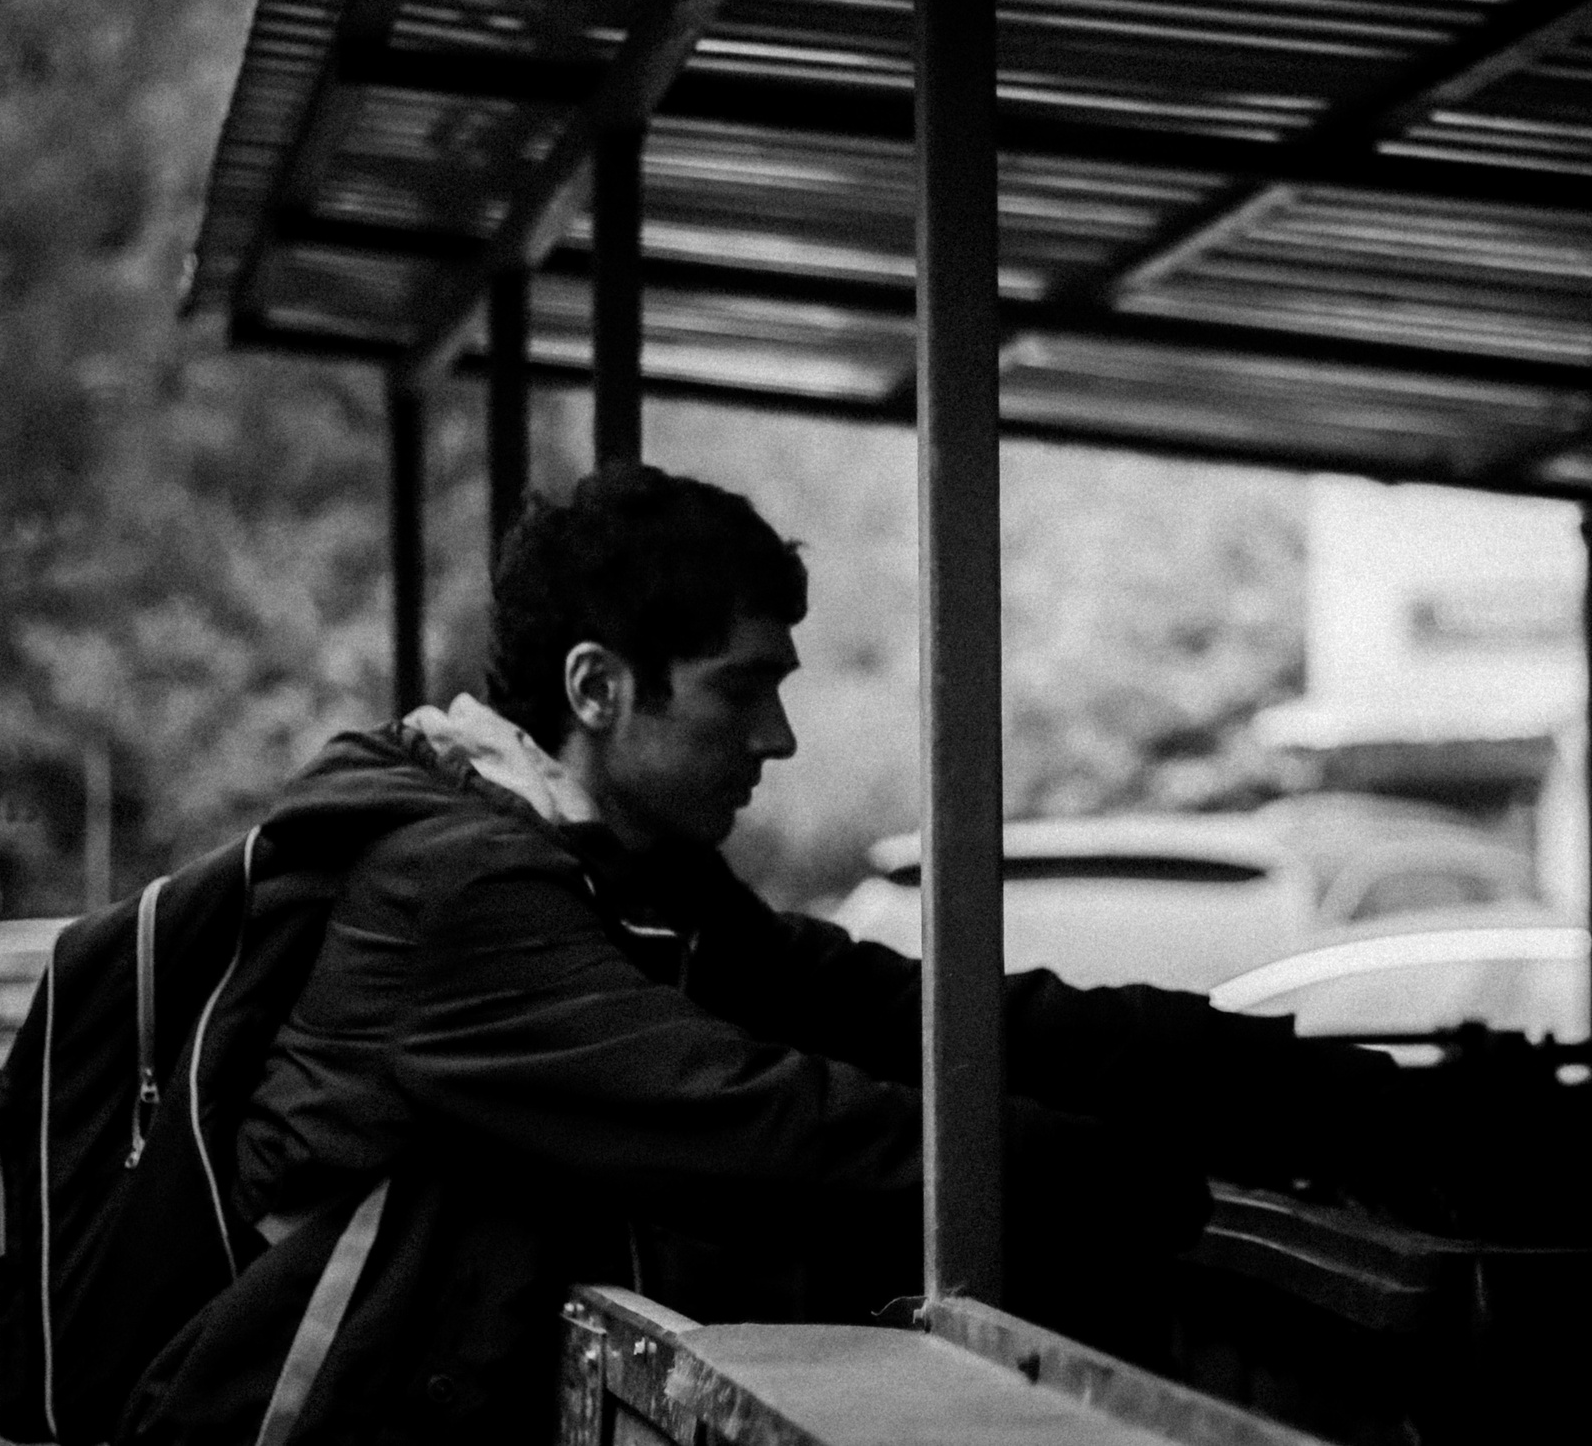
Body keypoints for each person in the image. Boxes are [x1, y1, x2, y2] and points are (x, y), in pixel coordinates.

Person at [121, 464, 1398, 1446]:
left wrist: (1280, 1084)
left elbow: (897, 1014)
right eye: (741, 690)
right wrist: (1131, 1182)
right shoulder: (453, 892)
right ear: (596, 689)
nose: (778, 739)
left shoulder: (626, 880)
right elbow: (755, 1121)